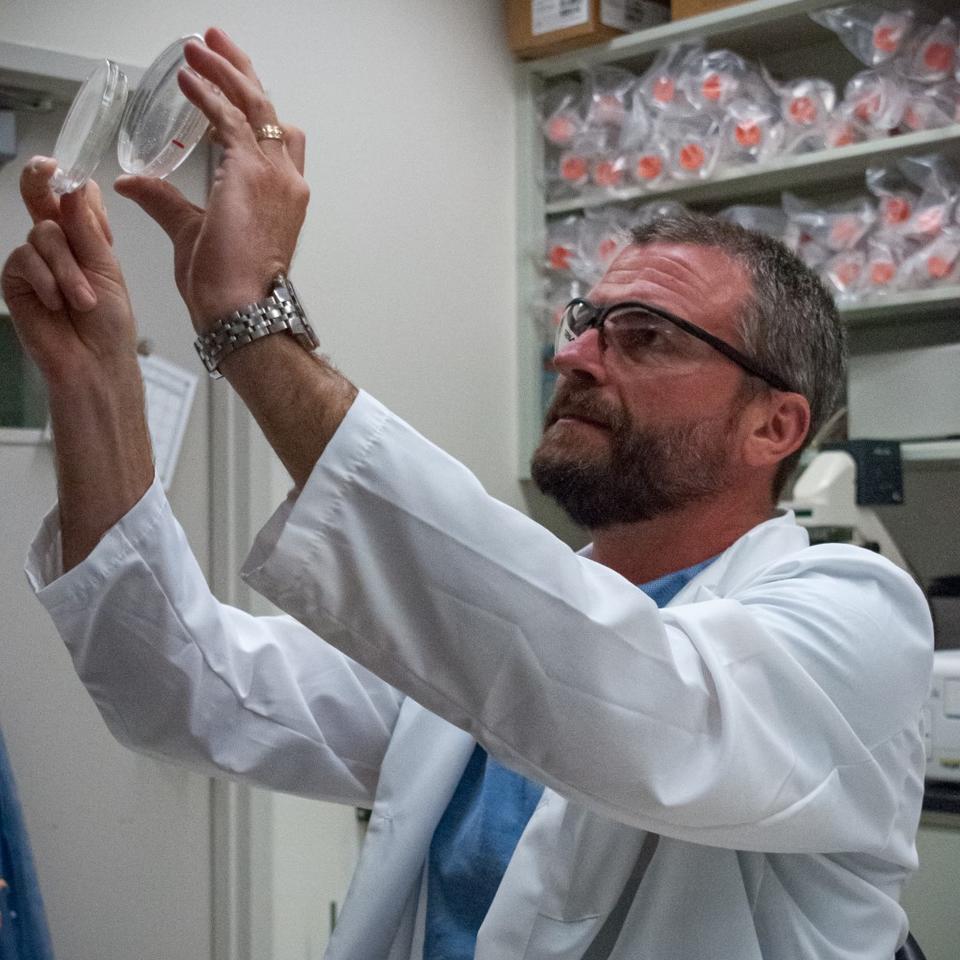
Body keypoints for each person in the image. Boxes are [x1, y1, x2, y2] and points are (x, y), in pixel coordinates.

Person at [2, 27, 933, 960]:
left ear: (774, 425)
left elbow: (634, 705)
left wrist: (254, 324)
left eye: (643, 334)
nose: (571, 355)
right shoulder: (484, 632)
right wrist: (93, 381)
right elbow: (186, 686)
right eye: (583, 324)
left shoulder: (858, 622)